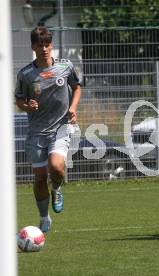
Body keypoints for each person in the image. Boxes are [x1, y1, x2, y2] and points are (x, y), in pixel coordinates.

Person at [15, 26, 81, 233]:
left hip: (61, 126)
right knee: (40, 177)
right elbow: (18, 99)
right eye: (39, 45)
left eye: (47, 44)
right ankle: (44, 218)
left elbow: (77, 87)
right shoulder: (26, 74)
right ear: (33, 47)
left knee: (57, 167)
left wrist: (72, 108)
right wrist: (27, 106)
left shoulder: (65, 67)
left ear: (51, 45)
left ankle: (58, 188)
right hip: (36, 132)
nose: (44, 48)